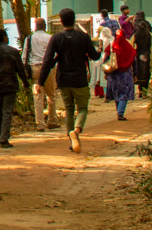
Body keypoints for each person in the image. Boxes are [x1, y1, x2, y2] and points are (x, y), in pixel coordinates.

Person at [33, 9, 102, 152]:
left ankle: (72, 141)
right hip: (80, 79)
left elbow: (47, 61)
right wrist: (99, 50)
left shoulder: (56, 38)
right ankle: (76, 131)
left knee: (69, 109)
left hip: (63, 80)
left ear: (61, 20)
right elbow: (94, 56)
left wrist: (40, 82)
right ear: (74, 19)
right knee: (82, 108)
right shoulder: (83, 37)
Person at [0, 27, 28, 147]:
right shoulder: (13, 52)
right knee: (7, 111)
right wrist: (25, 83)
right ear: (4, 38)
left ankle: (0, 134)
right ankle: (3, 137)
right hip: (10, 85)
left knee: (0, 111)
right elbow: (20, 69)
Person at [21, 17, 58, 129]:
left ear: (35, 26)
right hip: (48, 68)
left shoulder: (29, 38)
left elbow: (24, 56)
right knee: (51, 95)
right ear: (45, 26)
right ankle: (52, 120)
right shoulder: (50, 38)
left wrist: (25, 70)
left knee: (38, 96)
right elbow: (55, 54)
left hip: (35, 68)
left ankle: (40, 123)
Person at [105, 24, 138, 120]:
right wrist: (135, 74)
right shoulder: (128, 47)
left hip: (113, 74)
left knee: (116, 93)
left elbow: (105, 59)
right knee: (124, 94)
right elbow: (134, 61)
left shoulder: (111, 46)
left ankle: (118, 110)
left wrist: (106, 73)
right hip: (125, 75)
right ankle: (120, 112)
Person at [133, 11, 152, 98]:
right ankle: (145, 92)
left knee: (140, 72)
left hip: (139, 54)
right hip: (147, 53)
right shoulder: (148, 33)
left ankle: (140, 91)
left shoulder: (136, 33)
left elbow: (133, 43)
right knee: (146, 72)